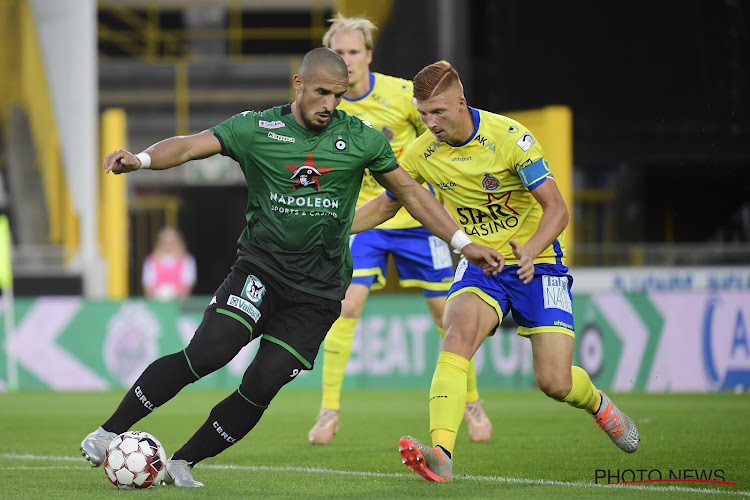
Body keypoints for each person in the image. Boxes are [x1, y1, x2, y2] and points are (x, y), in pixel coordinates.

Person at [79, 48, 502, 488]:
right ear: (298, 84)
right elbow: (188, 146)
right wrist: (142, 160)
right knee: (208, 353)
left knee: (263, 383)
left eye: (338, 96)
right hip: (261, 272)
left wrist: (462, 243)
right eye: (321, 92)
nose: (329, 104)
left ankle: (183, 463)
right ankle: (108, 431)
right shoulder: (257, 128)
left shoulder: (362, 139)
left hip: (319, 295)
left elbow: (412, 196)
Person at [352, 61, 640, 482]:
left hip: (538, 266)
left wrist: (532, 250)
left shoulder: (510, 139)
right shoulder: (421, 153)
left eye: (438, 112)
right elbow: (385, 204)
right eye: (423, 113)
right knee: (456, 337)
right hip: (481, 264)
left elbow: (557, 209)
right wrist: (334, 222)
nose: (429, 123)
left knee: (555, 382)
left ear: (461, 103)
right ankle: (441, 454)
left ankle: (599, 405)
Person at [307, 13, 492, 446]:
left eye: (354, 52)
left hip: (415, 218)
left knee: (446, 315)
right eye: (339, 53)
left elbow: (440, 130)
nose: (347, 60)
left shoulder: (400, 94)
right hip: (367, 218)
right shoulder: (325, 105)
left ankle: (472, 401)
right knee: (347, 305)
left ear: (368, 55)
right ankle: (328, 411)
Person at [142, 226, 197, 300]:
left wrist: (175, 295)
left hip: (178, 303)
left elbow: (188, 286)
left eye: (172, 242)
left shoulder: (187, 260)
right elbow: (147, 286)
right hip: (157, 303)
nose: (168, 245)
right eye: (165, 242)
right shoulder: (151, 260)